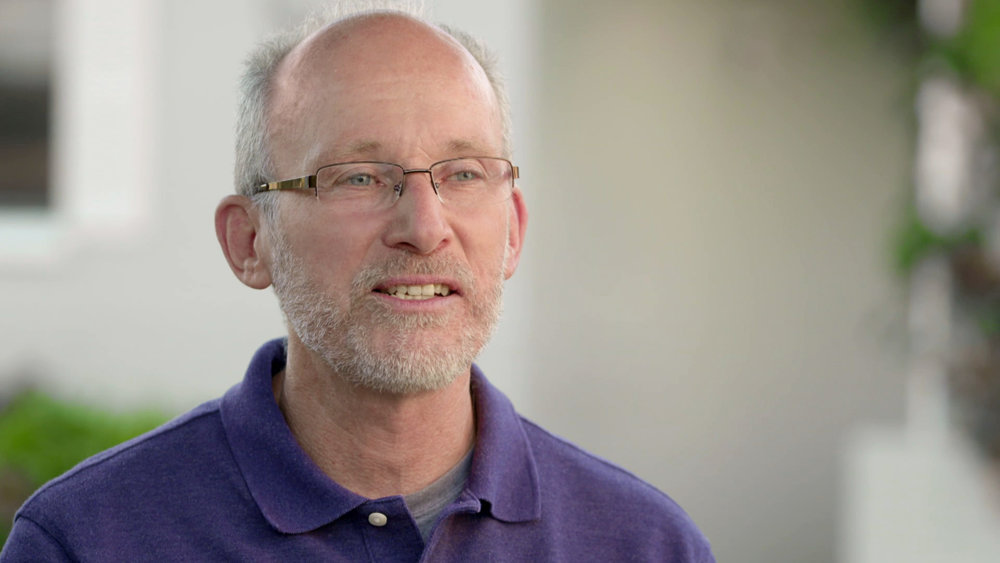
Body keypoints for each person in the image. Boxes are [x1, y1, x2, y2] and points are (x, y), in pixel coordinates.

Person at [1, 3, 713, 561]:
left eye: (464, 173)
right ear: (249, 241)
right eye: (359, 177)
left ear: (513, 231)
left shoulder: (645, 544)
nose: (424, 227)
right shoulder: (87, 540)